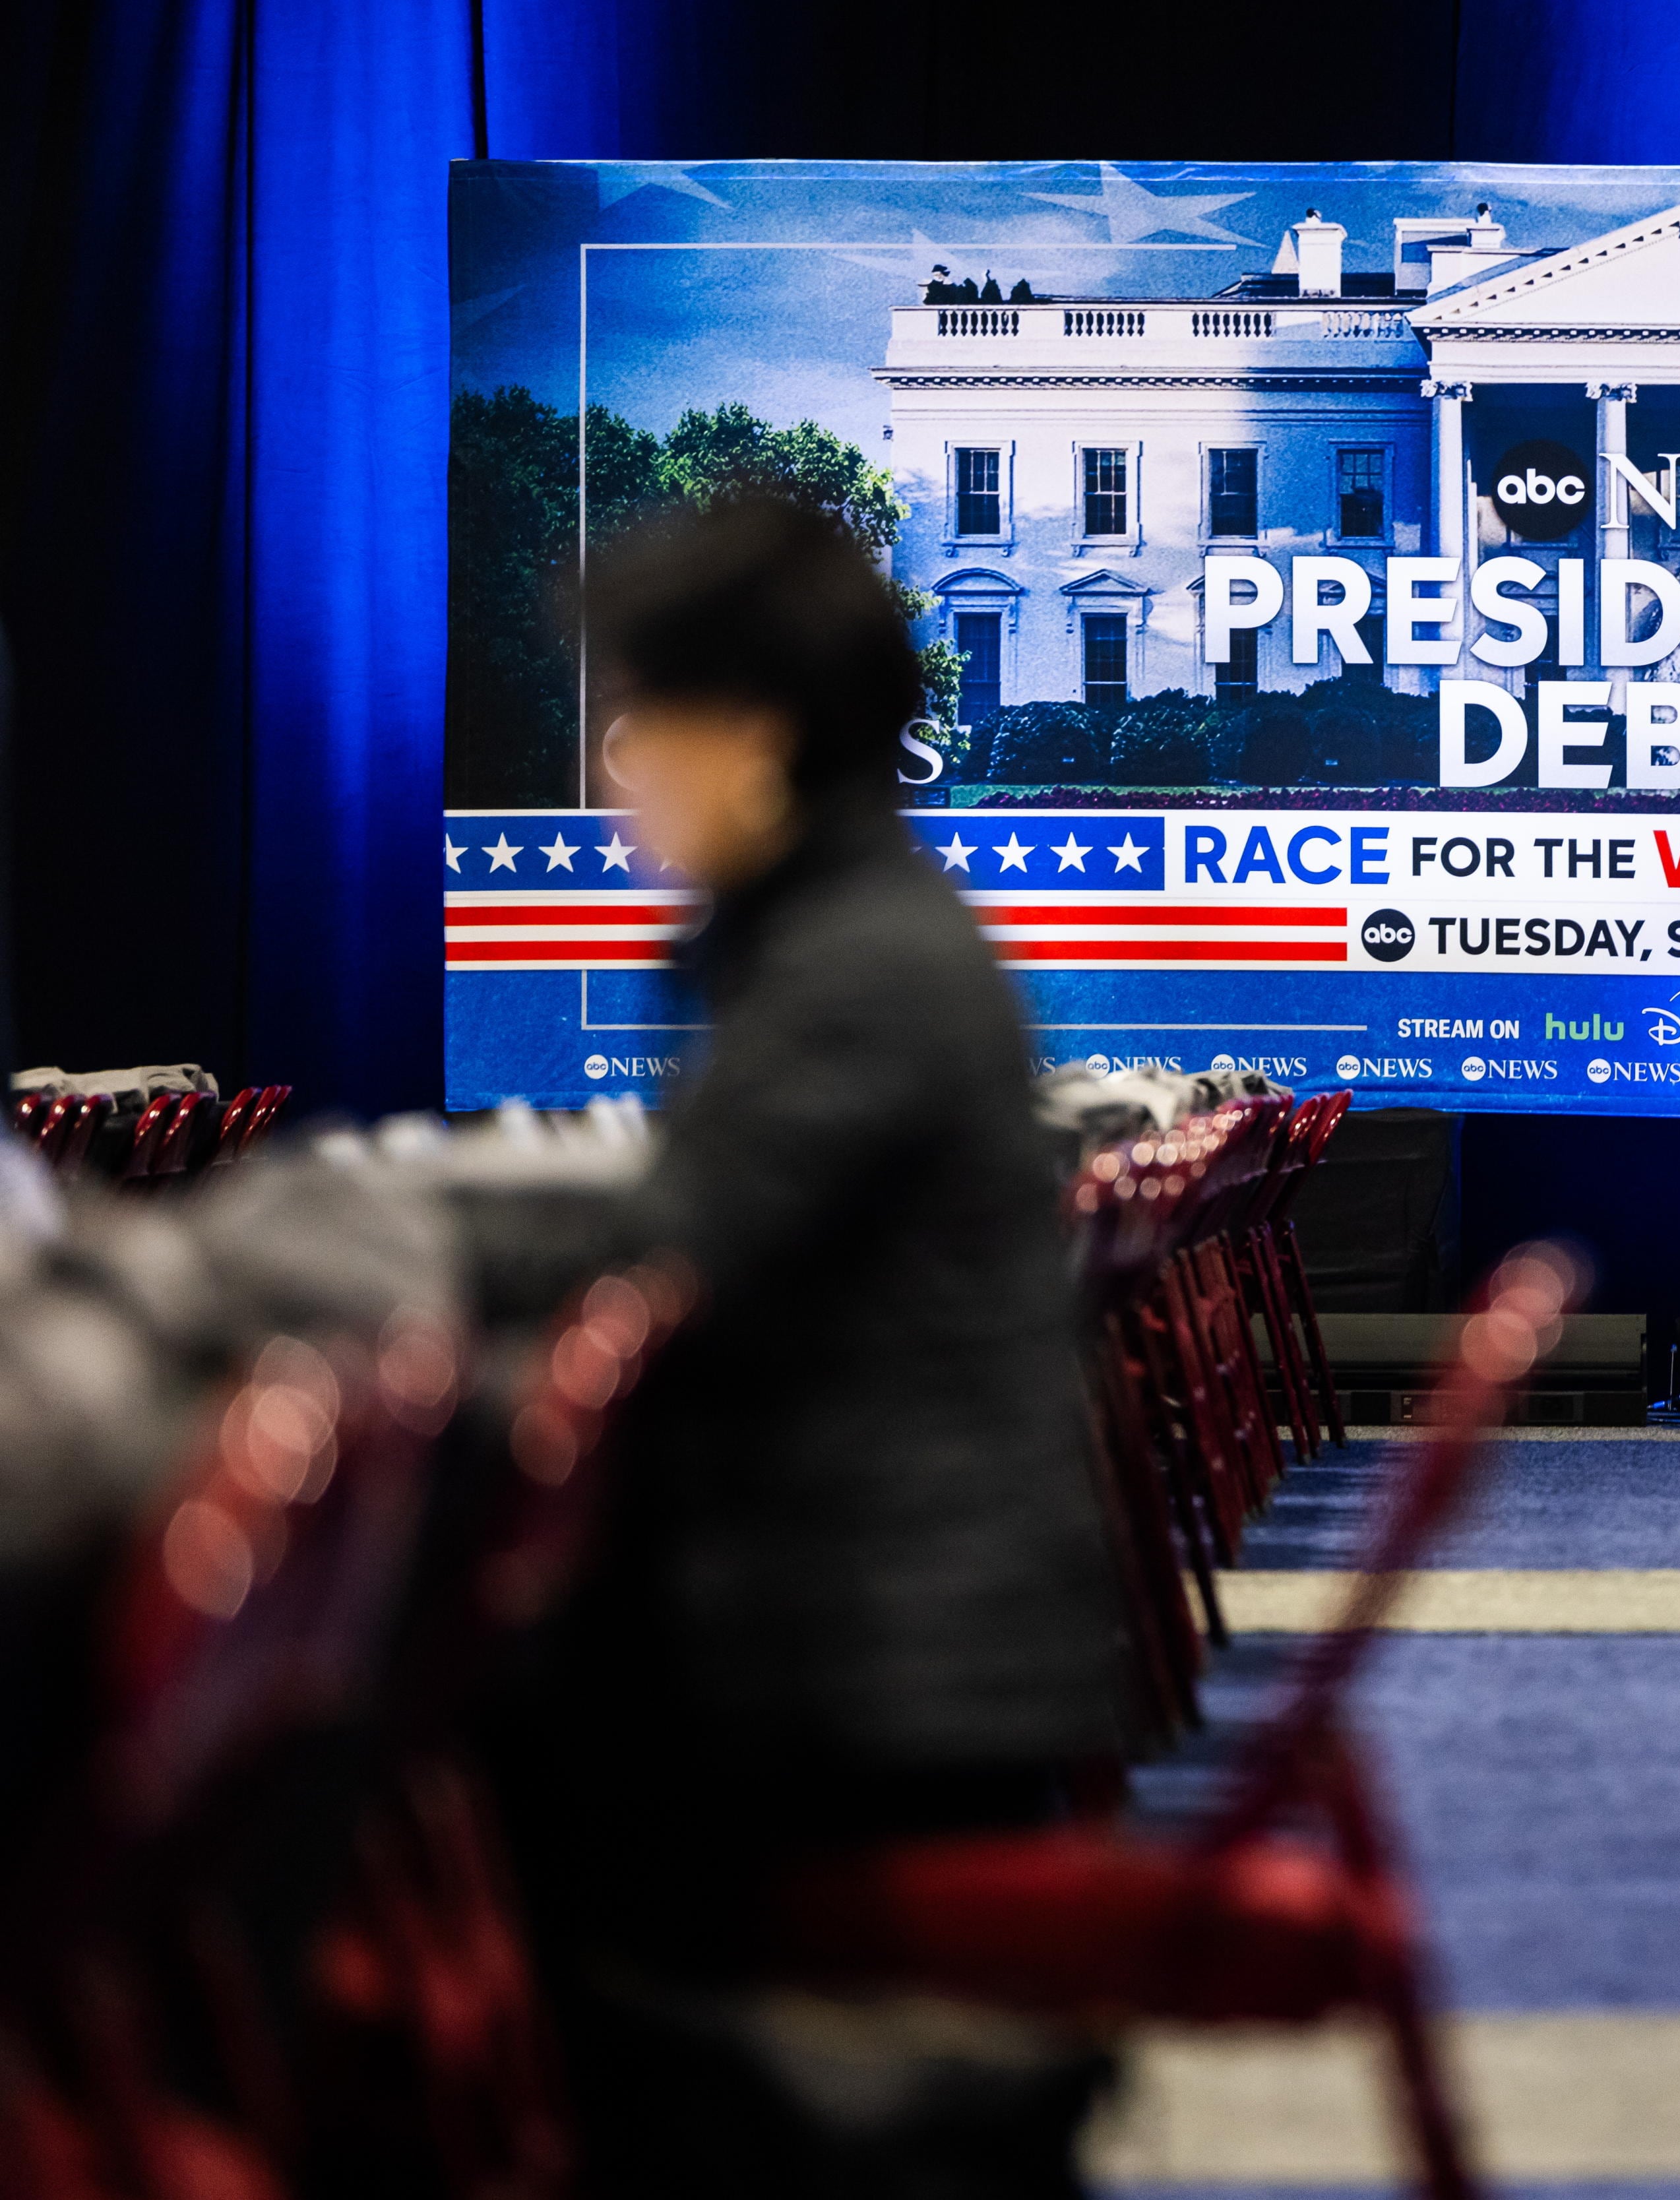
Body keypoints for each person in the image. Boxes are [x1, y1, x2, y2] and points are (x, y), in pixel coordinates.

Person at [515, 497, 1133, 2197]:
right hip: (902, 1648)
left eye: (643, 712)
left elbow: (658, 1246)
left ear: (761, 736)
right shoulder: (855, 940)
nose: (618, 757)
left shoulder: (860, 970)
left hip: (878, 1693)